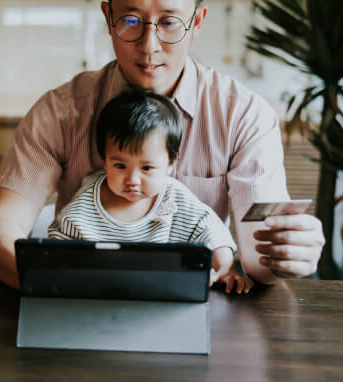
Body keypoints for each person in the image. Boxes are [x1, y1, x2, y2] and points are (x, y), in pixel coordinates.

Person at [0, 0, 325, 290]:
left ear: (198, 22)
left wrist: (287, 252)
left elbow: (258, 258)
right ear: (108, 17)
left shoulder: (244, 116)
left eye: (170, 22)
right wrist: (63, 288)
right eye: (131, 21)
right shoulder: (60, 112)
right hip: (80, 304)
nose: (149, 46)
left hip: (196, 305)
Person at [48, 90, 253, 294]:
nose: (133, 180)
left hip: (166, 296)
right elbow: (55, 251)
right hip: (101, 297)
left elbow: (210, 229)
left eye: (147, 168)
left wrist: (226, 268)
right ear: (104, 159)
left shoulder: (174, 198)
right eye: (120, 166)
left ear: (170, 163)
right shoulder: (84, 207)